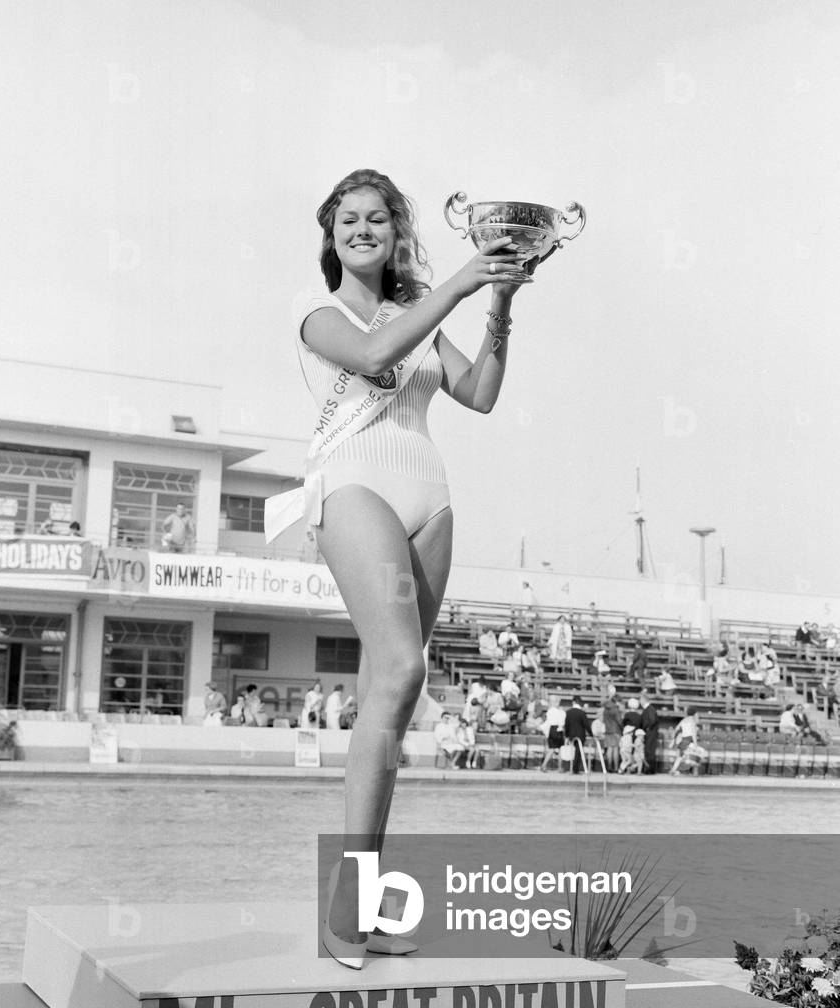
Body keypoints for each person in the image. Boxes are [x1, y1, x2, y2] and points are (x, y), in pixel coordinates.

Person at [272, 169, 538, 970]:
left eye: (377, 218)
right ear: (331, 236)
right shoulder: (314, 311)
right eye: (347, 219)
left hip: (430, 495)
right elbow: (371, 350)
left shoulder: (420, 311)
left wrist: (500, 298)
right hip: (353, 484)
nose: (362, 229)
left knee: (396, 690)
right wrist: (464, 277)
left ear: (395, 232)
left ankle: (363, 896)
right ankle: (344, 907)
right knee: (395, 666)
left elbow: (480, 393)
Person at [563, 695, 592, 774]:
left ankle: (570, 767)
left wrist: (566, 735)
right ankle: (575, 768)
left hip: (571, 734)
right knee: (578, 752)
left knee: (573, 751)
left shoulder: (568, 712)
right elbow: (586, 725)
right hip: (580, 734)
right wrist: (591, 734)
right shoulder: (582, 713)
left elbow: (567, 725)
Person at [538, 696, 567, 773]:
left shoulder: (552, 711)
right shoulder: (561, 712)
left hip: (553, 730)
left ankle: (544, 765)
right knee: (559, 749)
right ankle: (559, 767)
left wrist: (541, 727)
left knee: (552, 749)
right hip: (558, 730)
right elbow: (562, 723)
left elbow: (548, 722)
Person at [668, 707, 700, 775]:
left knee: (680, 757)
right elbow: (693, 733)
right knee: (695, 755)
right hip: (689, 739)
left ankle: (673, 770)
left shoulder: (684, 720)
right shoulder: (692, 721)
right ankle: (695, 771)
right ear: (694, 713)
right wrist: (695, 744)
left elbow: (676, 729)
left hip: (683, 739)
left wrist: (674, 738)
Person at [601, 685, 622, 772]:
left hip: (608, 730)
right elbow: (619, 721)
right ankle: (616, 767)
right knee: (615, 749)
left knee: (609, 749)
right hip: (616, 730)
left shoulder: (606, 708)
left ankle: (609, 766)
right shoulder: (615, 709)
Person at [639, 692, 660, 773]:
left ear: (644, 700)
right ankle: (649, 769)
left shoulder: (650, 709)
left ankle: (650, 769)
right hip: (650, 732)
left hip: (651, 733)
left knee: (650, 751)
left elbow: (652, 720)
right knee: (649, 750)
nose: (640, 701)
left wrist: (647, 728)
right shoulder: (648, 709)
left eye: (640, 699)